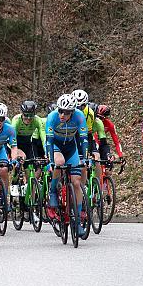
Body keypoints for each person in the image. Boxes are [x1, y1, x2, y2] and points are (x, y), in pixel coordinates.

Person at [45, 93, 89, 237]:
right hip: (56, 146)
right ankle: (53, 191)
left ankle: (77, 221)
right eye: (60, 111)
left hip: (71, 147)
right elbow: (49, 142)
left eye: (67, 112)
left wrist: (85, 158)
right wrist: (51, 162)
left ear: (73, 111)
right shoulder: (52, 117)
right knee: (59, 163)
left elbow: (83, 140)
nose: (63, 115)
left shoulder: (79, 116)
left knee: (76, 182)